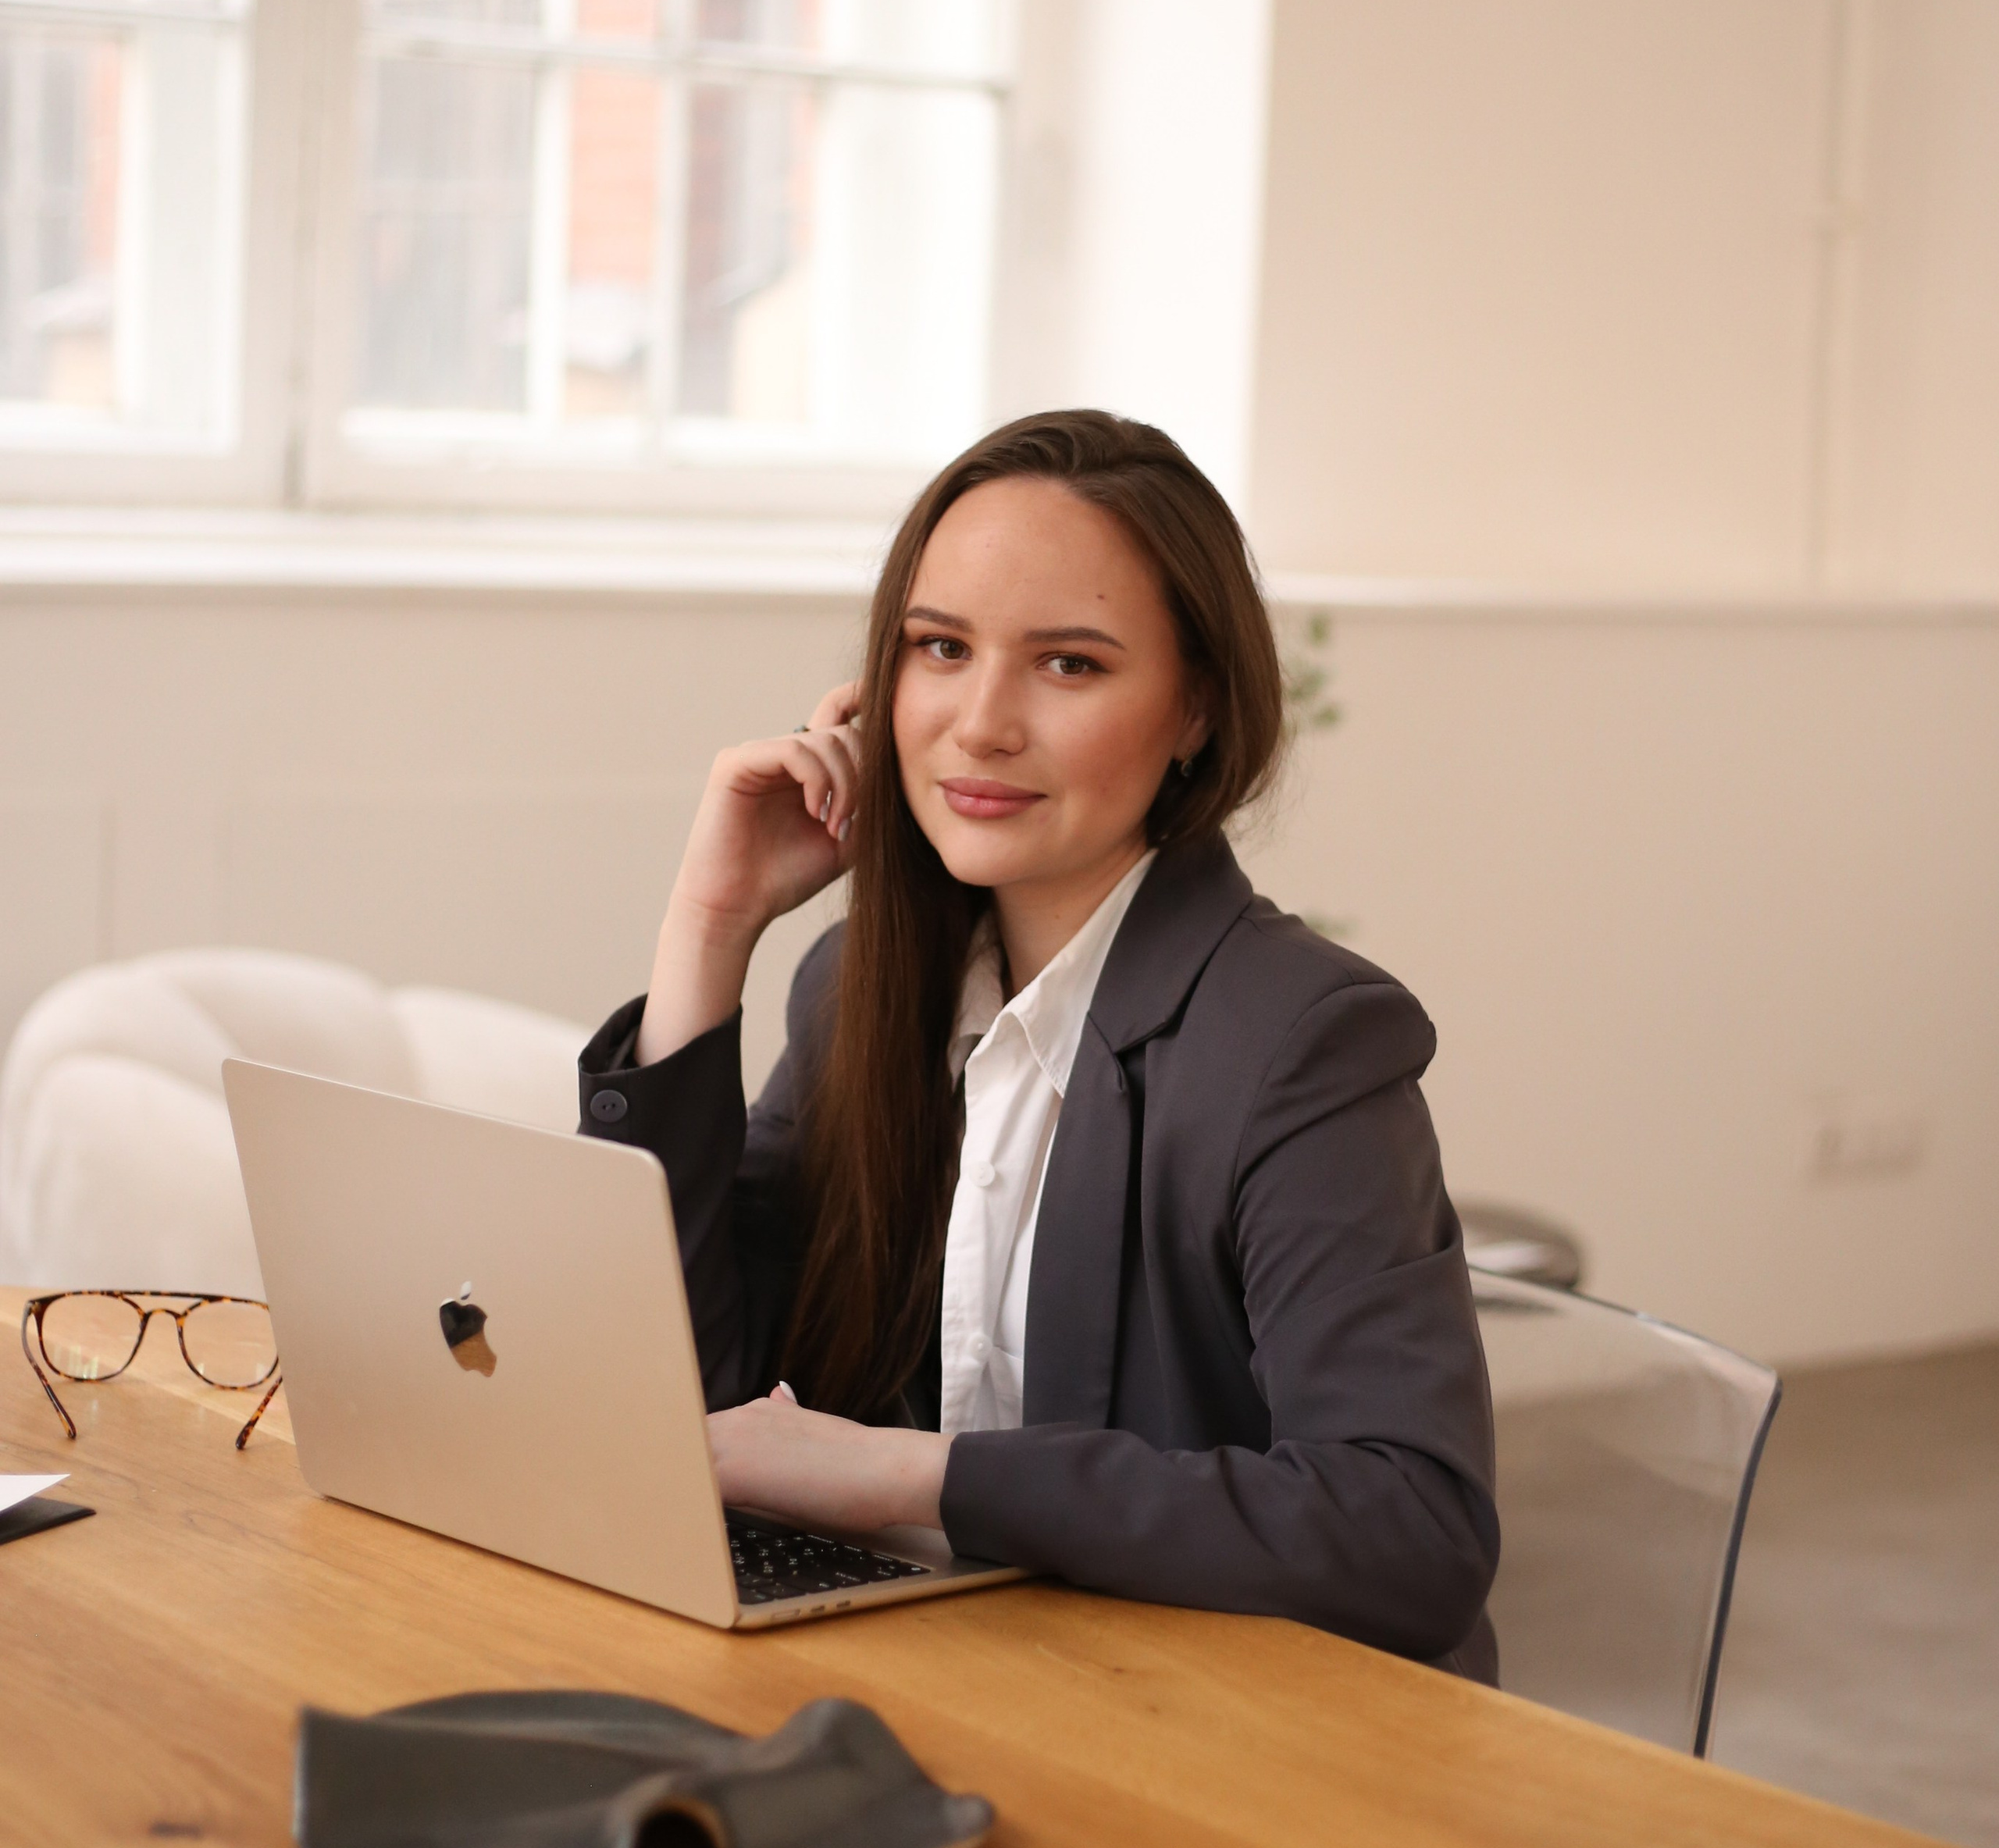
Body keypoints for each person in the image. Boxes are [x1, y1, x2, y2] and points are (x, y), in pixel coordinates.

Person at [579, 409, 1498, 1672]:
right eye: (940, 647)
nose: (981, 722)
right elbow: (696, 1392)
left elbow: (1408, 1530)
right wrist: (709, 929)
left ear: (1195, 712)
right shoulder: (862, 990)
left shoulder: (1302, 1044)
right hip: (965, 1685)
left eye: (1069, 664)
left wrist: (913, 1475)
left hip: (1229, 1742)